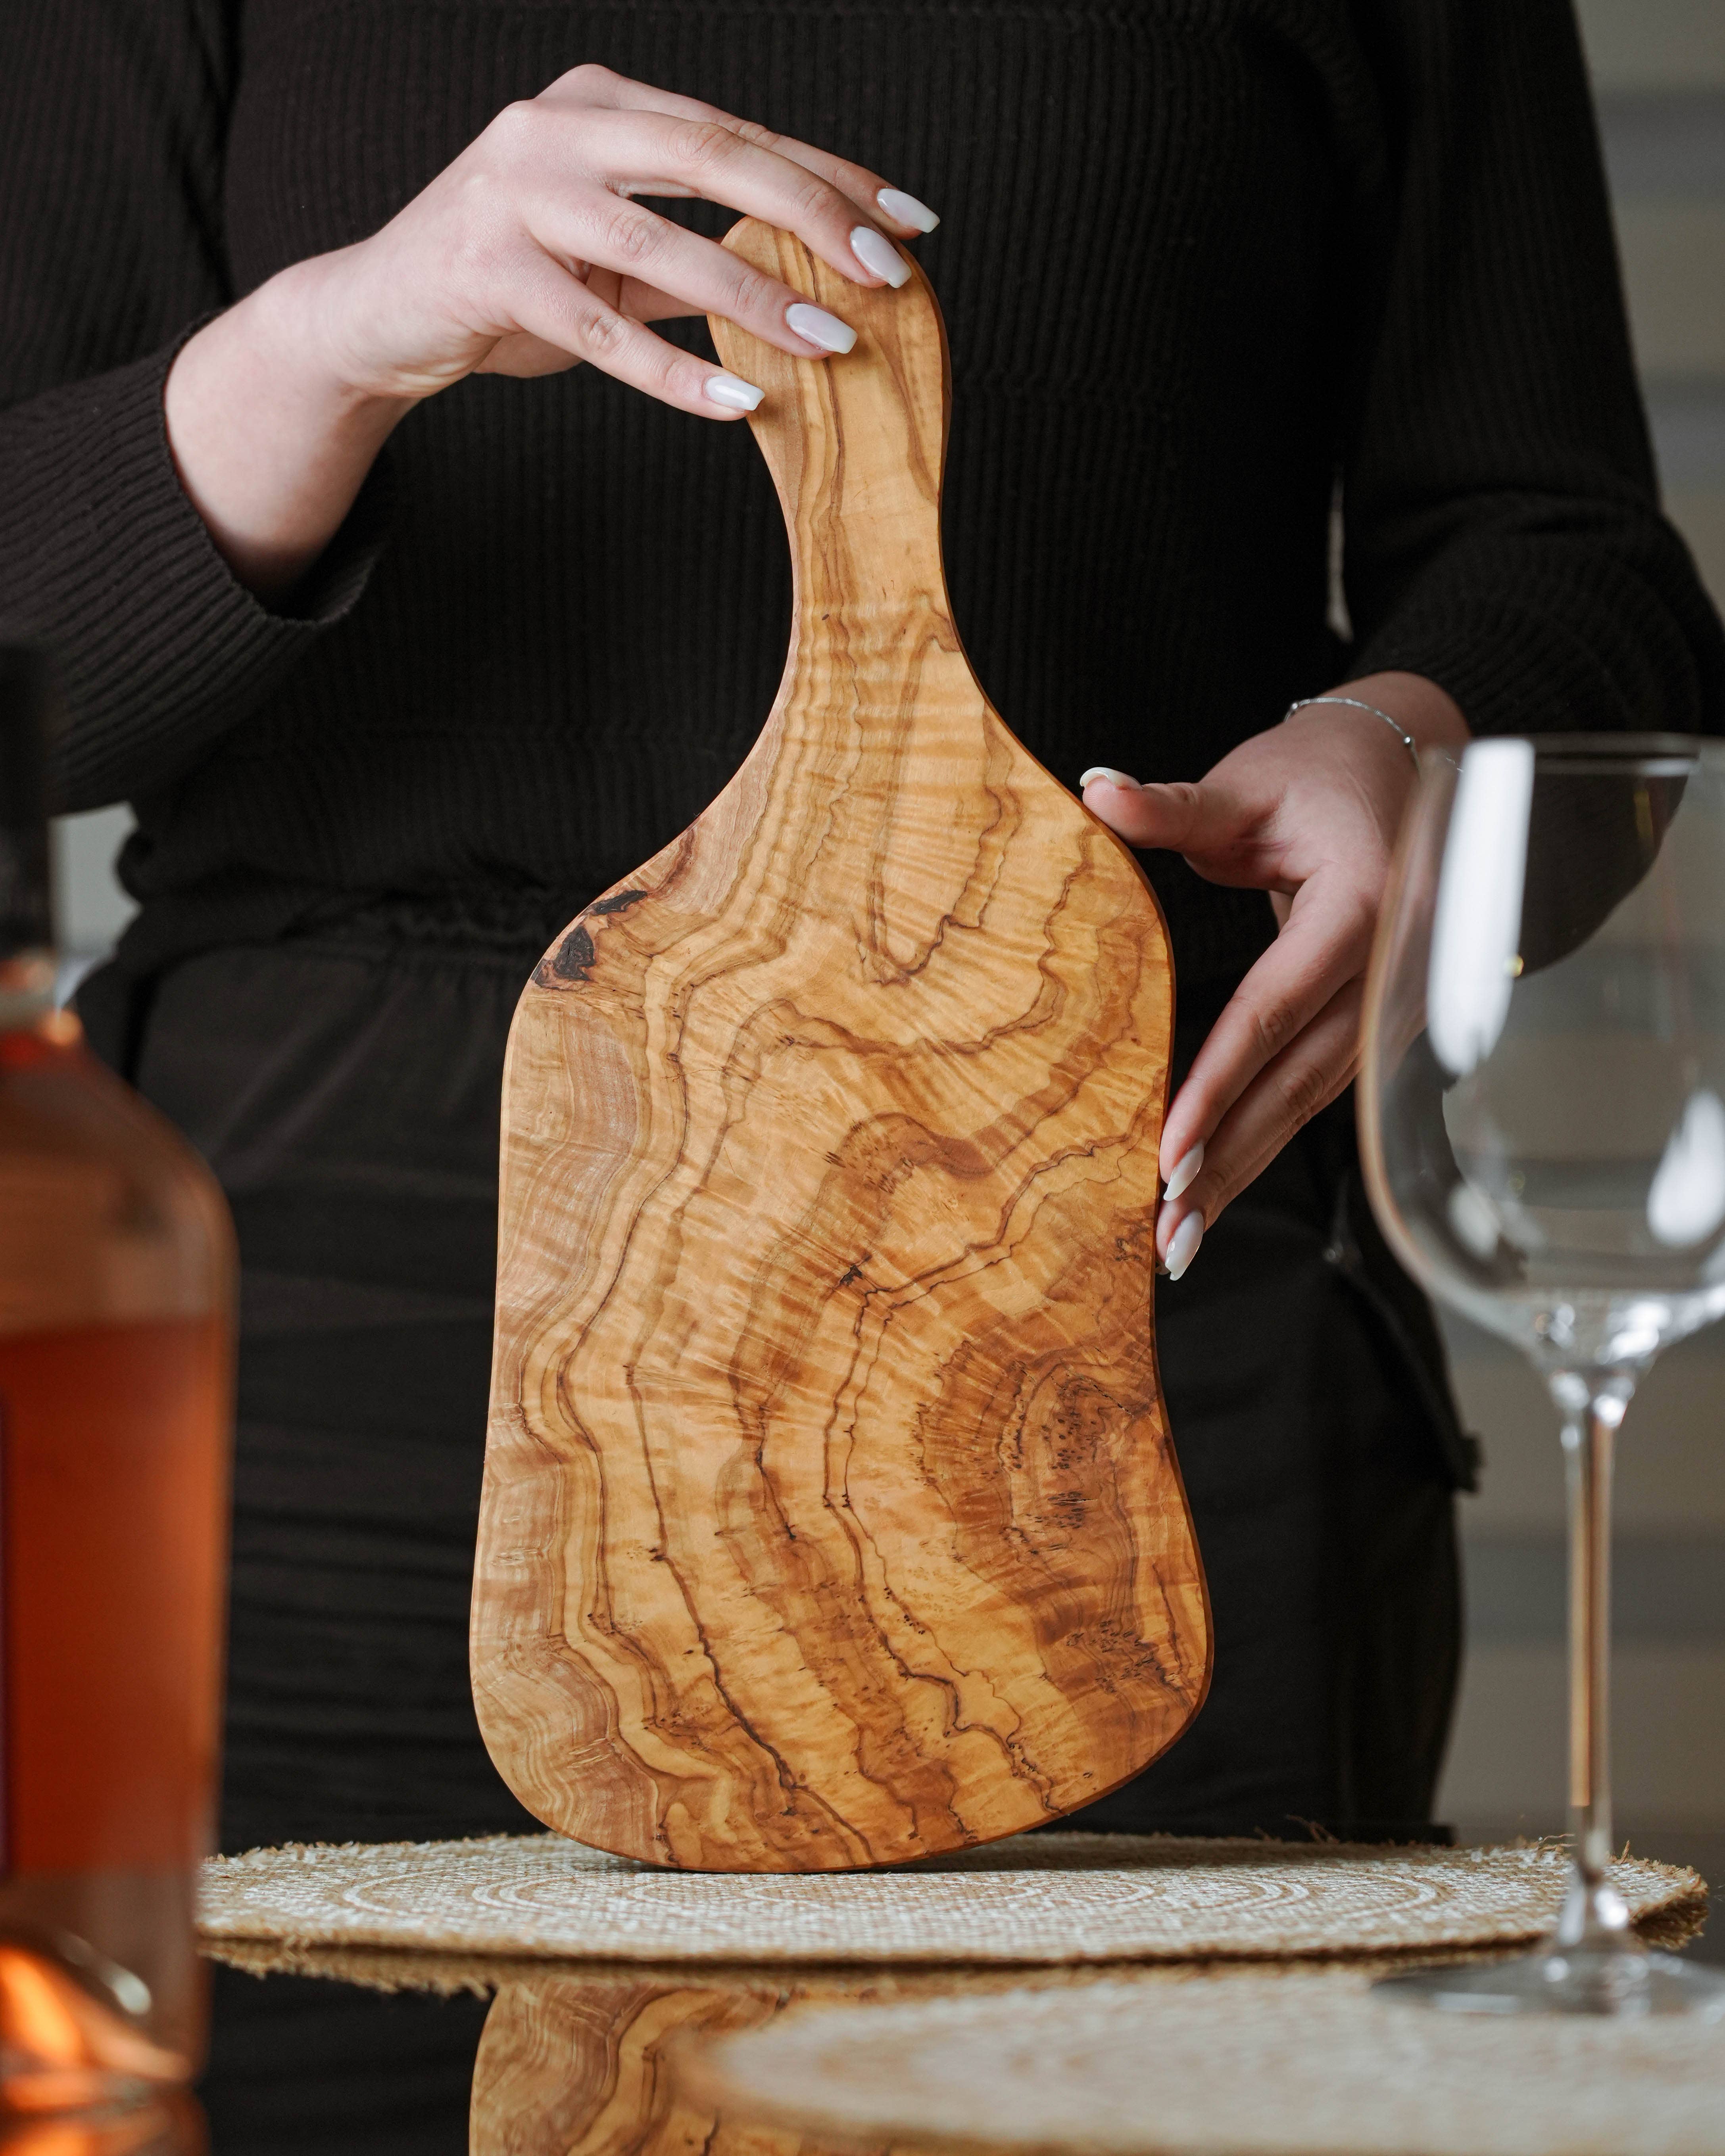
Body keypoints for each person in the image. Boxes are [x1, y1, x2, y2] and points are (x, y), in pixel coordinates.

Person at [2, 1, 1719, 1862]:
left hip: (1108, 1263)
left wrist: (1407, 750)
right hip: (284, 1367)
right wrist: (332, 341)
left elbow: (1571, 562)